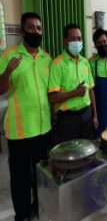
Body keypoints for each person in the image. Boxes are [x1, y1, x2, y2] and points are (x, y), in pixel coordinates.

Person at [0, 12, 52, 221]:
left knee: (41, 176)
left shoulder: (47, 58)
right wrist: (7, 72)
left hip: (44, 128)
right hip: (20, 130)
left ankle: (39, 207)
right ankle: (21, 214)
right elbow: (0, 89)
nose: (35, 31)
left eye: (39, 28)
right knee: (21, 179)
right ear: (23, 30)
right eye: (31, 27)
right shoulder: (9, 56)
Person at [48, 24, 98, 143]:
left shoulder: (85, 62)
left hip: (86, 115)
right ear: (65, 40)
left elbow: (91, 90)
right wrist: (75, 92)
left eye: (79, 38)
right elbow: (52, 97)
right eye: (73, 38)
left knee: (87, 150)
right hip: (67, 119)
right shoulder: (57, 64)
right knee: (69, 155)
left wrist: (95, 115)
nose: (77, 41)